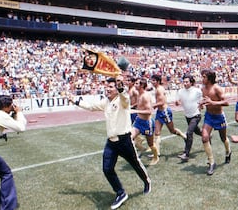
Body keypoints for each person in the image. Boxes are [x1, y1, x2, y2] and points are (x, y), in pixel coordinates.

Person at [68, 77, 151, 209]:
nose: (107, 89)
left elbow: (124, 97)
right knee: (107, 169)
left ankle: (146, 182)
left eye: (110, 87)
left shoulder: (123, 100)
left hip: (124, 141)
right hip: (111, 142)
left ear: (116, 88)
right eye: (107, 87)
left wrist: (120, 86)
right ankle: (121, 192)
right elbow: (91, 107)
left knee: (135, 164)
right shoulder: (106, 101)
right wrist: (74, 100)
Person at [199, 69, 231, 175]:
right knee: (204, 137)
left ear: (209, 78)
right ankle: (212, 162)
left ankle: (228, 152)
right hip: (209, 116)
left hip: (219, 117)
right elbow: (206, 101)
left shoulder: (217, 88)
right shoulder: (203, 89)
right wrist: (201, 104)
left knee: (223, 138)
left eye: (204, 77)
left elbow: (226, 102)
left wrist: (212, 102)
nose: (202, 79)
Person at [150, 74, 186, 157]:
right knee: (157, 132)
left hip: (165, 112)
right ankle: (157, 152)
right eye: (152, 80)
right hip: (160, 112)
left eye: (154, 80)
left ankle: (184, 137)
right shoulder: (157, 89)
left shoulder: (159, 89)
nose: (152, 82)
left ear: (158, 81)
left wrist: (153, 105)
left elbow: (162, 102)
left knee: (172, 130)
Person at [130, 78, 159, 165]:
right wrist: (131, 107)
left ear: (142, 85)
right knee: (129, 138)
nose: (135, 85)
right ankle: (138, 152)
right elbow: (139, 105)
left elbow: (149, 111)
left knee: (150, 144)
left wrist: (136, 111)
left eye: (137, 83)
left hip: (147, 123)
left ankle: (156, 157)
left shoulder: (145, 96)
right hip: (138, 121)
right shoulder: (139, 94)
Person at [175, 74, 203, 162]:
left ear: (191, 82)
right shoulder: (180, 91)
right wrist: (177, 103)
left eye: (187, 82)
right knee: (197, 131)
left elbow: (203, 100)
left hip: (196, 115)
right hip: (187, 116)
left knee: (189, 132)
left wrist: (201, 105)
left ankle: (186, 154)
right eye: (184, 82)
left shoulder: (197, 91)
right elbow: (178, 101)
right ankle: (207, 136)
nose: (185, 83)